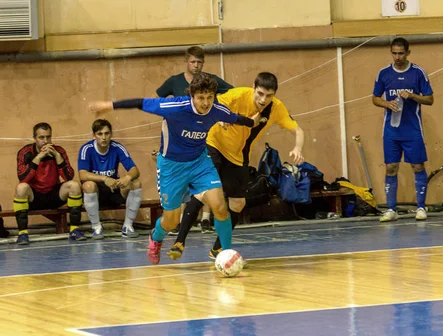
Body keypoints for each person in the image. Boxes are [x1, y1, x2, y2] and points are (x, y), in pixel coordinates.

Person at [89, 72, 259, 264]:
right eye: (201, 98)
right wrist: (109, 106)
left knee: (220, 206)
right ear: (192, 96)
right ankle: (155, 238)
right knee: (172, 221)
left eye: (209, 97)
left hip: (200, 163)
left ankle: (228, 255)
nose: (205, 102)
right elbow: (141, 102)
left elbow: (236, 118)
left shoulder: (217, 110)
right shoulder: (175, 107)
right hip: (171, 167)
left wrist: (253, 121)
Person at [167, 72, 305, 260]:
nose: (263, 99)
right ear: (253, 88)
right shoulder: (238, 95)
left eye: (269, 95)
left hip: (237, 154)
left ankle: (217, 249)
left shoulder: (276, 109)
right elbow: (215, 106)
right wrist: (222, 118)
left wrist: (297, 148)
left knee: (238, 203)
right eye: (260, 93)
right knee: (204, 191)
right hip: (214, 144)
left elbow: (298, 130)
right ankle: (179, 241)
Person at [157, 46, 234, 234]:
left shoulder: (211, 81)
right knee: (180, 182)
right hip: (178, 137)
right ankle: (180, 220)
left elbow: (232, 92)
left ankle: (205, 219)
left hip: (202, 134)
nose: (196, 65)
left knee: (206, 177)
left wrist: (219, 112)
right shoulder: (174, 81)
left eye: (200, 62)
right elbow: (159, 97)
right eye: (193, 61)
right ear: (186, 61)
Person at [372, 37, 434, 222]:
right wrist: (386, 103)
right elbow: (375, 98)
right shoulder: (383, 73)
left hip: (412, 130)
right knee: (391, 167)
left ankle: (421, 207)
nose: (397, 57)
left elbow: (430, 99)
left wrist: (413, 96)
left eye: (401, 53)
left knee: (417, 166)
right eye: (394, 53)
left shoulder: (418, 73)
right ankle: (391, 210)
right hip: (391, 131)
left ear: (408, 52)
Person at [13, 122, 85, 244]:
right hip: (34, 197)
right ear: (34, 138)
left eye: (48, 137)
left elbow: (69, 177)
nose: (45, 141)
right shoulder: (25, 152)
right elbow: (23, 178)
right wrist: (38, 157)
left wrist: (57, 156)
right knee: (21, 188)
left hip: (53, 195)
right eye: (41, 137)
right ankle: (23, 234)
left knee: (75, 185)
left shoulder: (59, 151)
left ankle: (74, 230)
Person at [78, 119, 143, 239]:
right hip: (97, 191)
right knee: (88, 185)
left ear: (111, 134)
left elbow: (135, 171)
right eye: (100, 134)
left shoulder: (117, 147)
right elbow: (82, 174)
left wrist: (127, 177)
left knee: (136, 183)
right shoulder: (86, 149)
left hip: (114, 189)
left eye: (107, 133)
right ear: (94, 136)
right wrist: (104, 178)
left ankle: (127, 227)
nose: (103, 137)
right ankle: (96, 228)